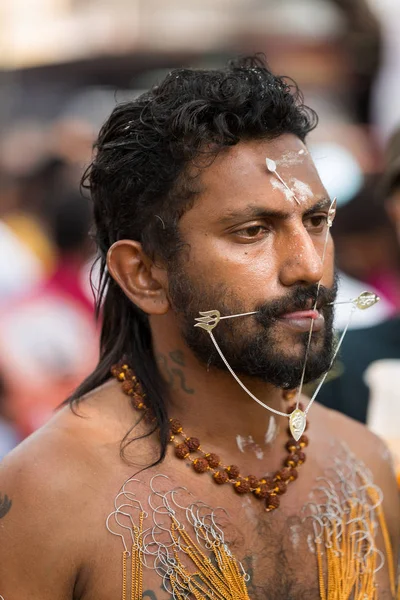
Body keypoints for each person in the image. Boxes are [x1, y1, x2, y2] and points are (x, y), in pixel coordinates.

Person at [0, 57, 398, 600]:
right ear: (143, 275)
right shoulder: (50, 494)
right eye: (253, 231)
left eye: (316, 222)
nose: (308, 266)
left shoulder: (366, 465)